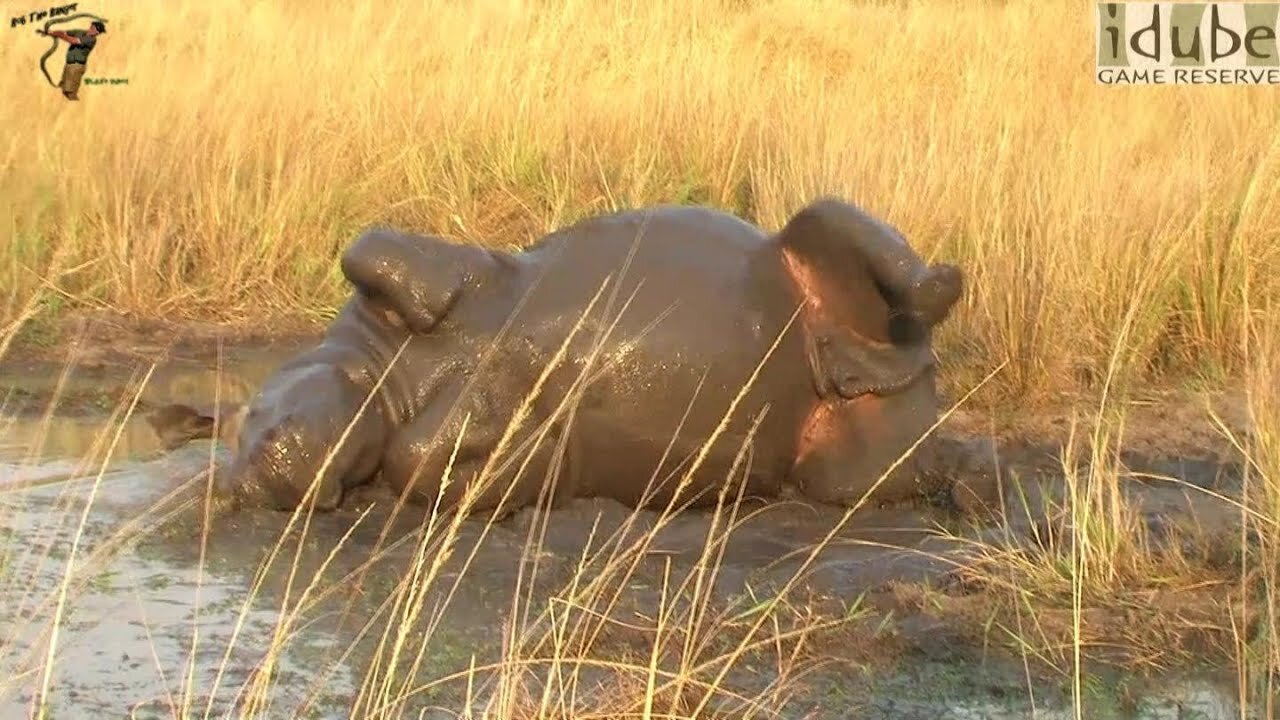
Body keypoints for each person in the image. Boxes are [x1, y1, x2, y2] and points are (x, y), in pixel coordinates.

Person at [38, 20, 106, 101]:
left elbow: (73, 41)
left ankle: (75, 108)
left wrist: (61, 35)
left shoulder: (92, 40)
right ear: (91, 27)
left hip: (76, 67)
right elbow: (64, 32)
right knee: (64, 88)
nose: (96, 32)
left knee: (70, 92)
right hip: (69, 65)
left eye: (98, 32)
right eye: (95, 29)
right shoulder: (80, 32)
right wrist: (50, 33)